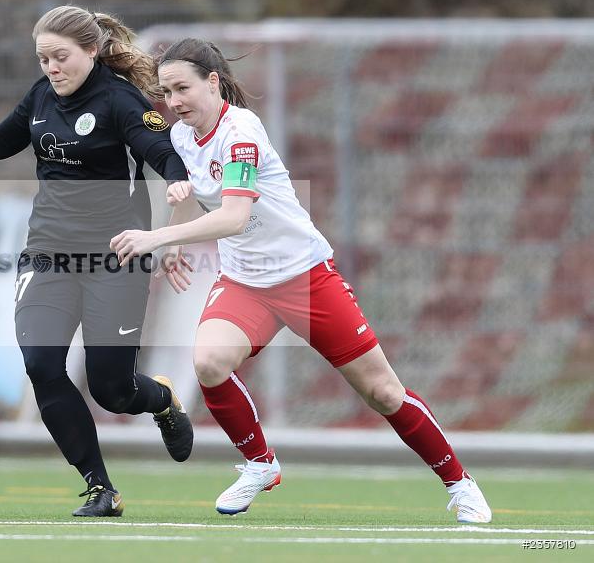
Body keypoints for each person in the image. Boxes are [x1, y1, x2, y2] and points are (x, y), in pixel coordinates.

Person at [109, 37, 492, 523]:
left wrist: (157, 237)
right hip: (245, 282)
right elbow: (190, 187)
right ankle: (260, 465)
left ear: (213, 81)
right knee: (207, 361)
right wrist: (179, 238)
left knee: (383, 393)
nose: (174, 102)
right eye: (166, 92)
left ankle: (461, 484)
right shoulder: (182, 134)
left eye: (182, 88)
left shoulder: (241, 131)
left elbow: (233, 216)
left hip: (304, 278)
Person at [0, 5, 194, 518]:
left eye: (61, 57)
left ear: (92, 52)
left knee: (111, 389)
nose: (51, 68)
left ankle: (161, 400)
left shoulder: (120, 100)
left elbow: (160, 149)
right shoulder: (40, 97)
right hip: (48, 253)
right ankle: (101, 488)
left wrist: (177, 186)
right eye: (43, 59)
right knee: (41, 364)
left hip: (115, 257)